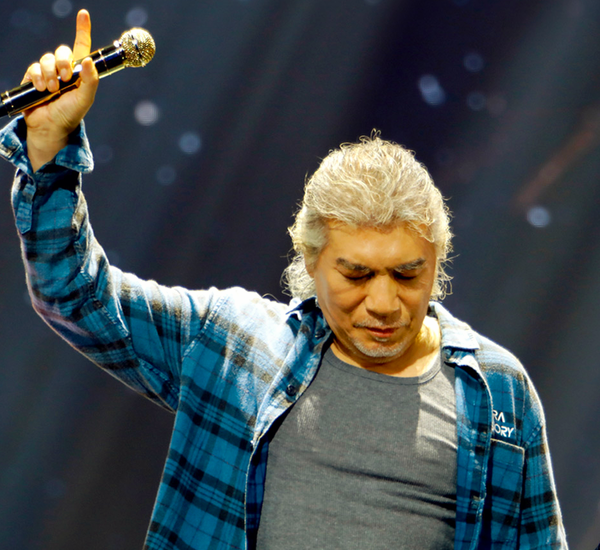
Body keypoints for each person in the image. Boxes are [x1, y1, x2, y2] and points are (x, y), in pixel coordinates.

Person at [2, 10, 568, 550]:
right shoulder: (235, 343)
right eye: (356, 274)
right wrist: (49, 152)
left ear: (436, 261)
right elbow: (73, 293)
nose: (383, 301)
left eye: (407, 274)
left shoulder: (499, 392)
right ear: (310, 261)